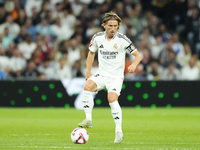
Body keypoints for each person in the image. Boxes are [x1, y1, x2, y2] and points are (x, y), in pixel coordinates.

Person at [78, 11, 142, 144]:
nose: (113, 28)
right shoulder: (97, 38)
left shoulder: (122, 40)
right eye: (110, 25)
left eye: (115, 26)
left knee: (111, 98)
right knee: (87, 86)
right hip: (102, 74)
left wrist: (134, 65)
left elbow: (138, 55)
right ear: (104, 25)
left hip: (115, 77)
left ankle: (118, 131)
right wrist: (88, 71)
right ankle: (88, 119)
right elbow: (91, 53)